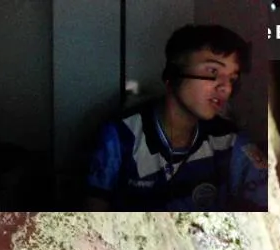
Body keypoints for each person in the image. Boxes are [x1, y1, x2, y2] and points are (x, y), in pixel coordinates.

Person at [85, 24, 267, 212]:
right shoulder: (121, 136)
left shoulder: (230, 141)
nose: (226, 88)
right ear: (173, 73)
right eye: (213, 71)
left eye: (232, 79)